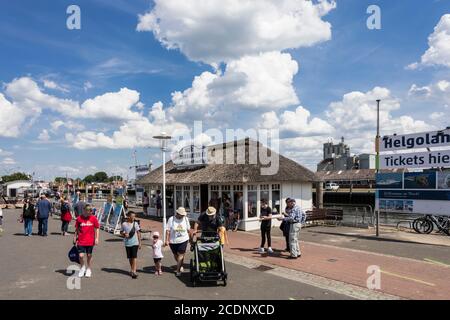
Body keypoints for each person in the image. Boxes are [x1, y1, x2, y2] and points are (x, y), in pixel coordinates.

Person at [74, 204, 100, 278]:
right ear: (84, 210)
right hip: (81, 240)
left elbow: (97, 228)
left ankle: (88, 268)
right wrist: (75, 237)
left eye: (89, 212)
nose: (88, 213)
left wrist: (97, 238)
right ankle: (82, 268)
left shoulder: (93, 218)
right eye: (86, 211)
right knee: (81, 255)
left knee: (89, 255)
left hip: (90, 240)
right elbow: (77, 228)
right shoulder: (79, 218)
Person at [165, 207, 191, 277]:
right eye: (181, 215)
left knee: (181, 254)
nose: (183, 216)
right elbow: (168, 230)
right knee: (176, 255)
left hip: (183, 239)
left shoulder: (185, 219)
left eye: (183, 215)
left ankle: (178, 270)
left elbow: (188, 230)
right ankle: (181, 265)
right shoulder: (171, 219)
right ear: (178, 213)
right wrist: (167, 240)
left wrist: (191, 239)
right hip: (173, 241)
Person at [120, 211, 142, 279]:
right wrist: (124, 234)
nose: (134, 218)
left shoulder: (135, 224)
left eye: (134, 216)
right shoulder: (124, 224)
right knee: (130, 258)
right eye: (132, 216)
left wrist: (140, 242)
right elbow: (121, 232)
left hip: (135, 243)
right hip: (127, 243)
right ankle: (132, 269)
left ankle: (134, 271)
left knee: (134, 257)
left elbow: (138, 233)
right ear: (128, 217)